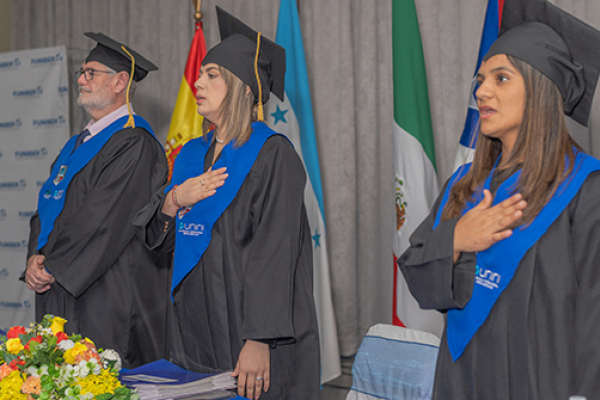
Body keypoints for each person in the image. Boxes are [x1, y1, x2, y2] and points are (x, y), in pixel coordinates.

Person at [398, 2, 600, 399]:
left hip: (545, 381)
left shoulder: (586, 188)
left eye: (501, 78)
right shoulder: (466, 184)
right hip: (462, 378)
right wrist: (456, 239)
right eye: (480, 79)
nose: (481, 91)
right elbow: (420, 279)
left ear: (542, 88)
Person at [133, 7, 320, 400]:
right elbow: (160, 242)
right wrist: (173, 200)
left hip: (247, 332)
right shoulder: (188, 156)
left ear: (243, 88)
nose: (196, 82)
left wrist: (259, 339)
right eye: (200, 73)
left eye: (210, 75)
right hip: (191, 327)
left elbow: (276, 253)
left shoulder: (272, 156)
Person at [23, 33, 171, 369]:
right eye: (81, 72)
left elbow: (101, 221)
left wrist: (51, 265)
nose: (80, 79)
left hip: (105, 296)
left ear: (120, 81)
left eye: (91, 72)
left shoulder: (135, 144)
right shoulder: (75, 145)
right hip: (59, 286)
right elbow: (48, 207)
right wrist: (35, 256)